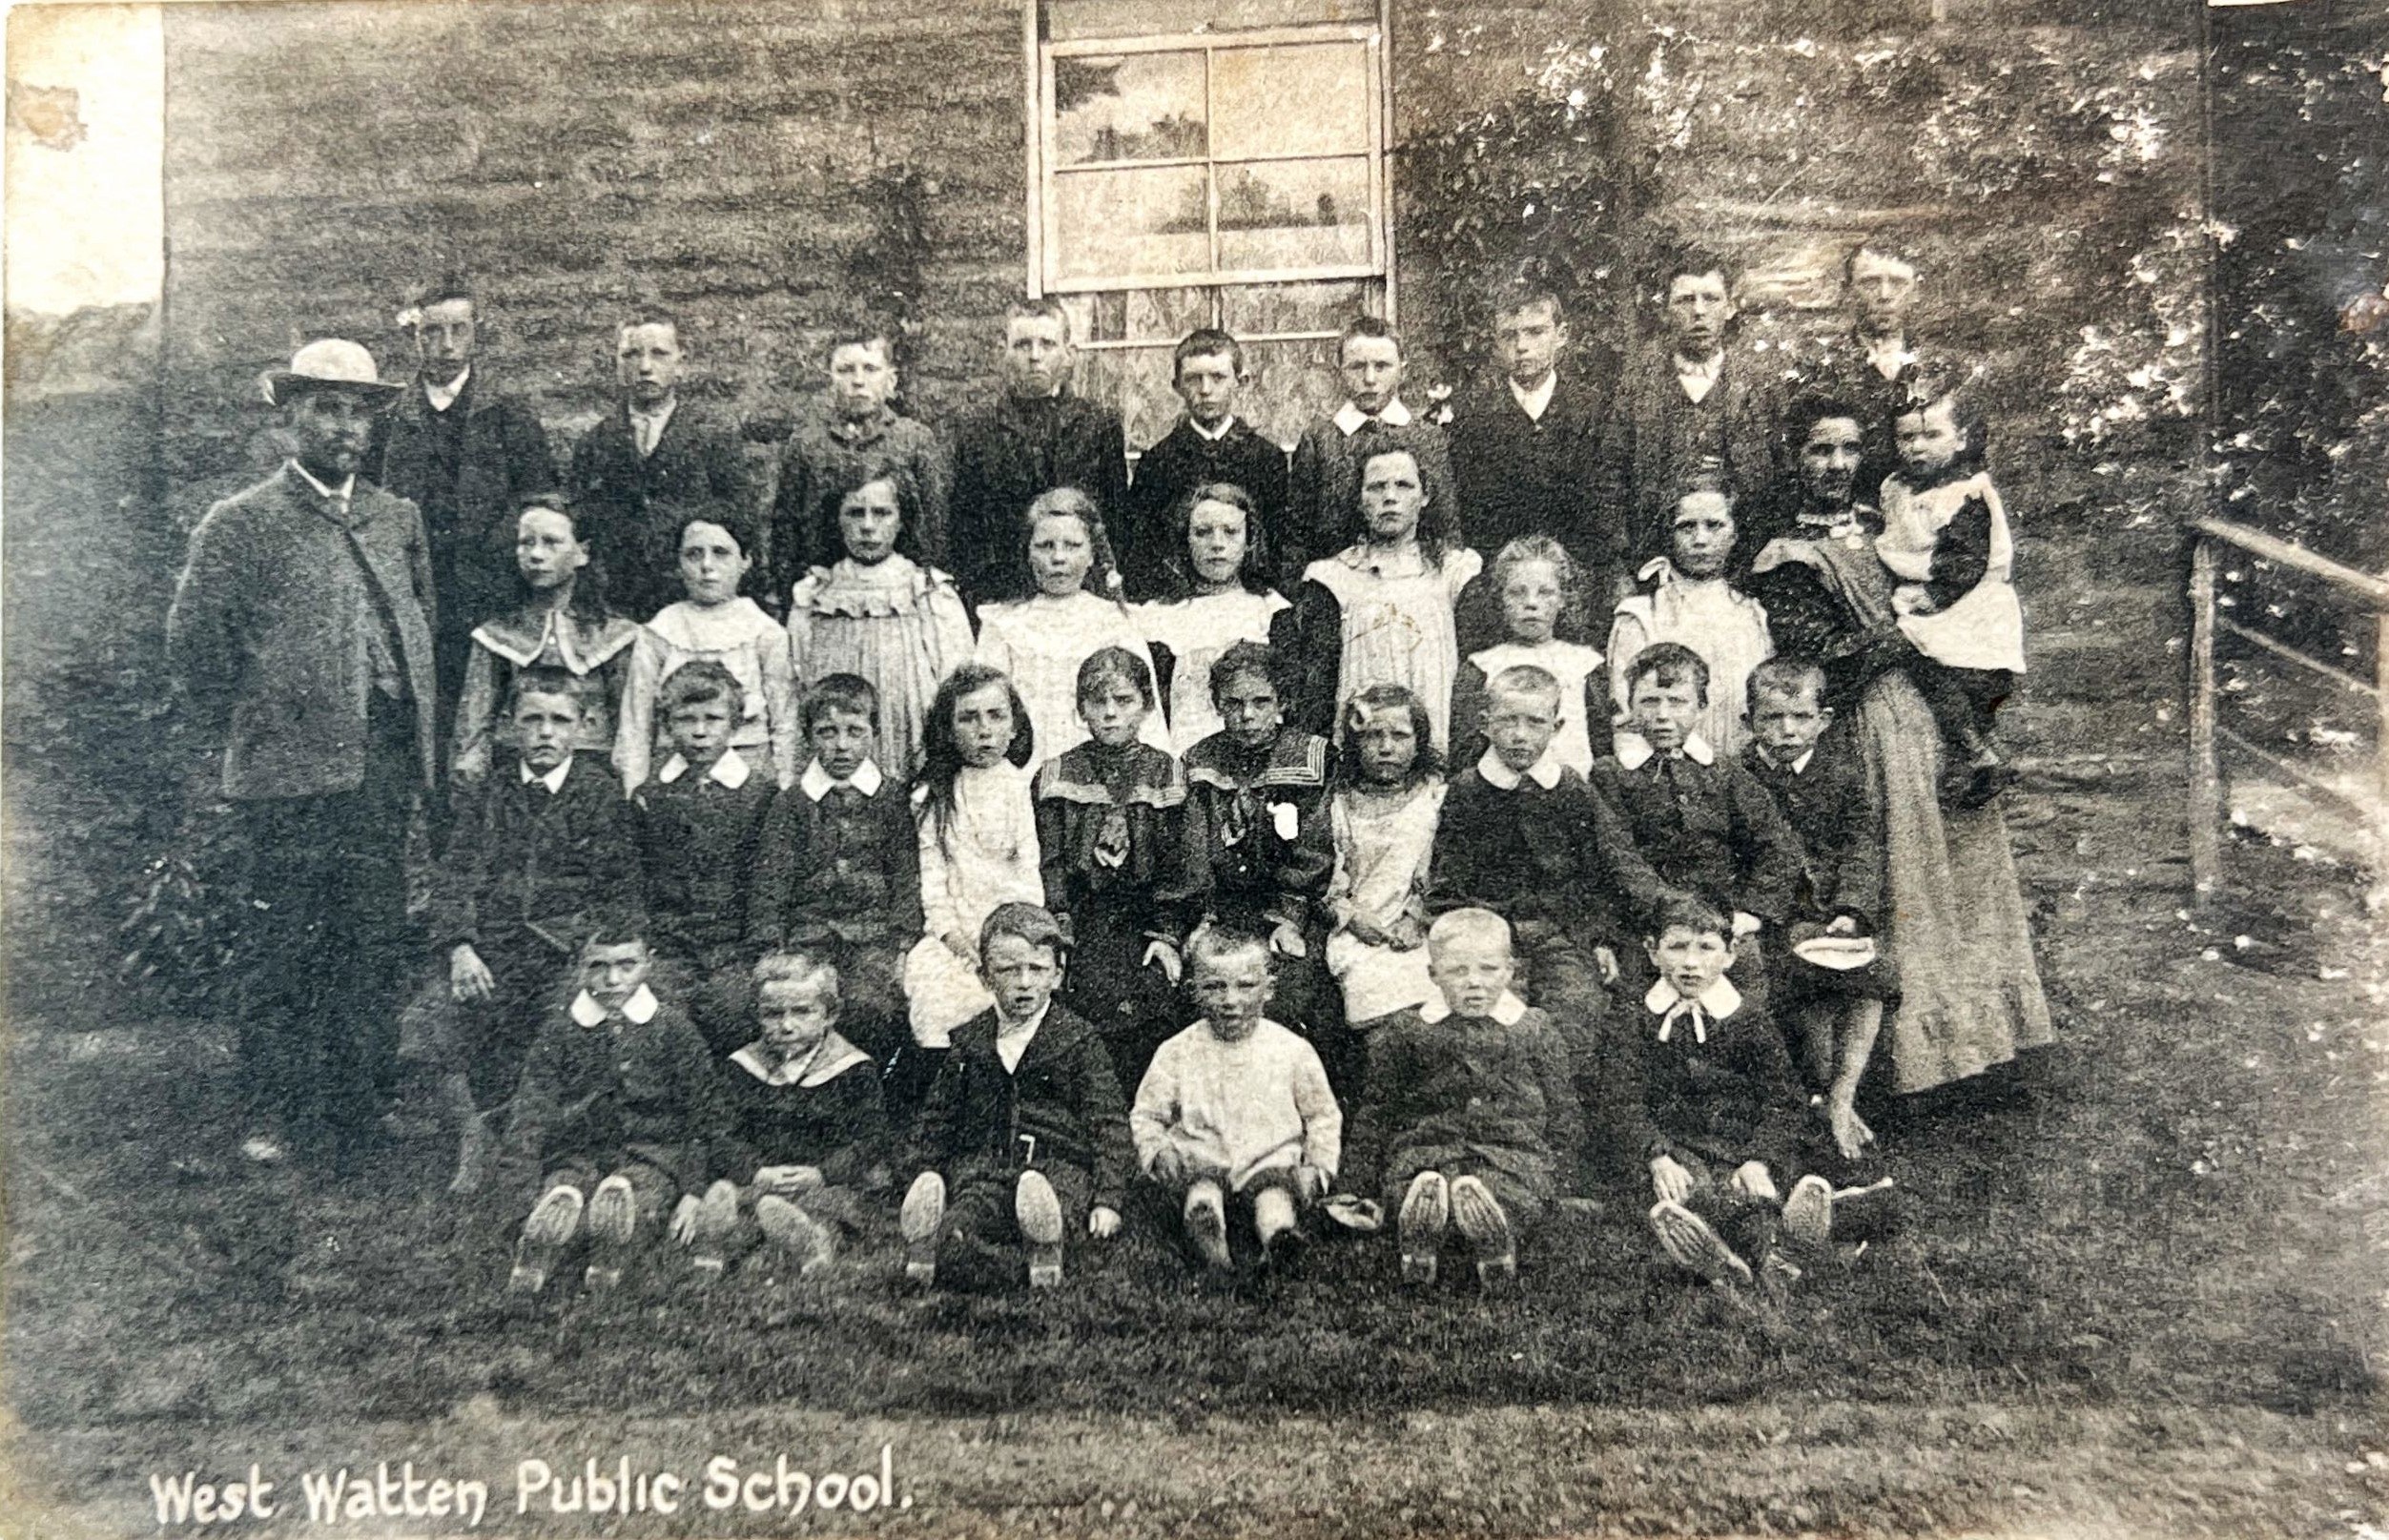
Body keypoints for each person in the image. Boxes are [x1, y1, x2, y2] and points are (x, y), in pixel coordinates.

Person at [167, 338, 438, 1171]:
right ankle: (274, 1111)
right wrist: (263, 721)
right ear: (289, 419)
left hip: (381, 766)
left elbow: (419, 622)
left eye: (357, 410)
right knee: (283, 944)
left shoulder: (397, 517)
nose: (344, 427)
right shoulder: (241, 522)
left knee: (369, 937)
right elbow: (195, 647)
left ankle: (360, 1102)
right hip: (285, 776)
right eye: (325, 407)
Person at [1745, 399, 2053, 1099]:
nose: (1836, 465)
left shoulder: (1888, 521)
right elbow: (1814, 657)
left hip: (1921, 720)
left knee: (1958, 875)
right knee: (1894, 879)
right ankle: (1888, 1069)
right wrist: (1902, 635)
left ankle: (1976, 1050)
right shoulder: (1783, 551)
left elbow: (1958, 590)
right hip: (1862, 726)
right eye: (1820, 451)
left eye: (1850, 450)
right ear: (1794, 458)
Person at [402, 668, 642, 1194]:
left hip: (568, 954)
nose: (546, 734)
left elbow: (619, 893)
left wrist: (591, 956)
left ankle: (534, 1142)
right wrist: (461, 947)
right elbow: (456, 875)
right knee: (433, 1015)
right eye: (532, 720)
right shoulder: (492, 792)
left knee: (571, 1021)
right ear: (509, 726)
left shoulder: (600, 796)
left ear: (585, 727)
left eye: (560, 721)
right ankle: (474, 1133)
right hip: (493, 950)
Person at [1431, 664, 1674, 1127]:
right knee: (1501, 1018)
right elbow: (1449, 879)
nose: (1521, 735)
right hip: (1493, 938)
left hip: (1561, 933)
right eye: (1508, 721)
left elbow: (1594, 873)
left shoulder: (1569, 790)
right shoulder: (1465, 792)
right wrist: (1474, 934)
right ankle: (1504, 1123)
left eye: (1535, 722)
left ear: (1557, 726)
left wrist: (1598, 937)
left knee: (1578, 1009)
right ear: (1484, 724)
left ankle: (1555, 1124)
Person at [1344, 909, 1581, 1292]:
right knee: (1420, 1183)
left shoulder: (1533, 1029)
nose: (1474, 983)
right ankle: (1421, 1242)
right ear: (1433, 975)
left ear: (1510, 972)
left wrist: (1563, 1177)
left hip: (1509, 1150)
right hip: (1429, 1148)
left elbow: (1562, 1108)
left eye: (1488, 970)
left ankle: (1494, 1246)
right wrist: (1356, 1181)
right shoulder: (1407, 1031)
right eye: (1457, 971)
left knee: (1507, 1191)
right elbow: (1377, 1110)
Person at [898, 903, 1132, 1291]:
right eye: (1009, 970)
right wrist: (924, 1171)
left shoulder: (1077, 1040)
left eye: (1037, 970)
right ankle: (940, 1244)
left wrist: (1108, 1199)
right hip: (986, 1172)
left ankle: (1042, 1245)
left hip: (1056, 1172)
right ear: (985, 977)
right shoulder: (969, 1043)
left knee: (1055, 1211)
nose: (1024, 982)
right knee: (962, 1226)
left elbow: (1108, 1124)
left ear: (1057, 975)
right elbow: (937, 1118)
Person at [1596, 896, 1813, 1293]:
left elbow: (1783, 1098)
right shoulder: (1635, 1017)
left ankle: (1757, 1249)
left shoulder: (1748, 1019)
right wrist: (1656, 1154)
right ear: (1652, 952)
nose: (1690, 963)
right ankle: (1737, 1248)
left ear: (1730, 955)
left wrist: (1759, 1159)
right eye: (1677, 947)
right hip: (1677, 1146)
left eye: (1706, 948)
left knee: (1753, 1185)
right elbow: (1620, 1095)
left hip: (1739, 1145)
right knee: (1685, 1189)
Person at [367, 279, 557, 723]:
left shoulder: (509, 413)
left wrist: (494, 552)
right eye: (431, 332)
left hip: (489, 586)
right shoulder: (390, 419)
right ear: (414, 337)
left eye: (458, 330)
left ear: (477, 333)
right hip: (413, 587)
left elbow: (537, 496)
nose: (446, 345)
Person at [500, 929, 724, 1300]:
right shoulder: (559, 1031)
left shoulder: (674, 1030)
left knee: (636, 1197)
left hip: (652, 1156)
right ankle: (540, 1243)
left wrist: (693, 1190)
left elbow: (703, 1115)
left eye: (627, 965)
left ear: (648, 963)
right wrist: (517, 1201)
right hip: (580, 1153)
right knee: (566, 1187)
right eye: (598, 966)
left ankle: (607, 1255)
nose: (613, 979)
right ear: (579, 969)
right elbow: (530, 1114)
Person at [1740, 658, 1898, 1163]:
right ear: (1749, 722)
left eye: (1800, 718)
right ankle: (1825, 1101)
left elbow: (1861, 845)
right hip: (1775, 915)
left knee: (1872, 973)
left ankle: (1842, 1096)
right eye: (1771, 718)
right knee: (1802, 979)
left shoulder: (1844, 774)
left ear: (1823, 720)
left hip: (1833, 911)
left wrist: (1852, 909)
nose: (1787, 731)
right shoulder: (1735, 774)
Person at [1589, 643, 1804, 1007]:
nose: (1662, 715)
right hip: (1647, 924)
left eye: (1677, 702)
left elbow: (1777, 845)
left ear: (1701, 707)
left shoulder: (1724, 774)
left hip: (1721, 922)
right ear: (1630, 707)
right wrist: (1667, 911)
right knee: (1639, 1011)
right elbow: (1619, 856)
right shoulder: (1611, 775)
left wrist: (1750, 912)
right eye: (1649, 702)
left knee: (1744, 996)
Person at [1131, 924, 1341, 1273]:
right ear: (1194, 990)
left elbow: (1322, 1115)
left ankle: (1278, 1240)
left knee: (1274, 1199)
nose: (1231, 1001)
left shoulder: (1291, 1050)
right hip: (1202, 1159)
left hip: (1268, 1161)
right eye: (1215, 987)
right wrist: (1157, 1151)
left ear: (1269, 989)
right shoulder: (1178, 1051)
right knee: (1202, 1194)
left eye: (1246, 986)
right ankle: (1211, 1245)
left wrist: (1318, 1168)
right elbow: (1147, 1114)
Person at [749, 674, 922, 1066]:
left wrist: (901, 946)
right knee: (799, 1005)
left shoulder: (891, 799)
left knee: (868, 1009)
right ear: (809, 736)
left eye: (855, 731)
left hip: (872, 940)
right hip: (805, 940)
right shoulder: (792, 804)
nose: (842, 745)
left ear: (874, 734)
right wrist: (772, 950)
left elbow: (906, 878)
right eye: (827, 732)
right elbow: (769, 885)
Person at [1035, 648, 1188, 1091]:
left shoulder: (1168, 773)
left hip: (1147, 919)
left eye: (1123, 701)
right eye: (1096, 702)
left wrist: (1166, 933)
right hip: (1082, 918)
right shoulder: (1058, 773)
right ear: (1080, 708)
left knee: (1154, 996)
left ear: (1146, 704)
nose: (1109, 714)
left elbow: (1181, 864)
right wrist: (1060, 923)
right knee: (1084, 998)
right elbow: (1051, 861)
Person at [689, 952, 892, 1279]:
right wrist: (754, 1171)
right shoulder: (742, 1066)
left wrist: (823, 1173)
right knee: (749, 1207)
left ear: (830, 1014)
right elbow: (719, 1132)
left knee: (826, 1211)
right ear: (757, 1014)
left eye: (801, 1012)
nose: (786, 1025)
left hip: (824, 1182)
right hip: (762, 1180)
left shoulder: (853, 1068)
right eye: (772, 1014)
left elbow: (871, 1139)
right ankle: (717, 1245)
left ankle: (813, 1244)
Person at [1174, 643, 1337, 1050]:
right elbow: (1194, 849)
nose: (1247, 716)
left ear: (1282, 701)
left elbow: (1315, 845)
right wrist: (1202, 916)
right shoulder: (1200, 761)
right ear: (1217, 705)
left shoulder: (1313, 757)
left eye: (1261, 702)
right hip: (1222, 906)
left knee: (1289, 990)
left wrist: (1288, 916)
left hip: (1291, 905)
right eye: (1234, 703)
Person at [1876, 380, 2025, 807]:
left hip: (1969, 600)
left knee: (1948, 671)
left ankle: (1977, 751)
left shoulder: (1965, 493)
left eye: (1932, 435)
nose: (1918, 447)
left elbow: (1966, 558)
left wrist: (1936, 595)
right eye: (1907, 437)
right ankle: (1975, 753)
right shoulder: (1896, 487)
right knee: (1933, 672)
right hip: (1928, 592)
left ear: (1961, 439)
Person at [899, 665, 1044, 1092]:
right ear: (947, 729)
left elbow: (1027, 878)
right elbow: (933, 881)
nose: (984, 731)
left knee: (1012, 992)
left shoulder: (1022, 789)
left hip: (1012, 933)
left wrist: (1006, 940)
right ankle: (943, 1104)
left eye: (996, 716)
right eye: (969, 718)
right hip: (954, 937)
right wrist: (954, 938)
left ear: (1015, 726)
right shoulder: (933, 797)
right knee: (934, 986)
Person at [1292, 439, 1486, 753]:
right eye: (1377, 487)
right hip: (1363, 741)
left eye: (1404, 486)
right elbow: (1317, 687)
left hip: (1436, 739)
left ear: (1425, 496)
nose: (1390, 497)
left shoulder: (1454, 572)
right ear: (1359, 500)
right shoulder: (1333, 577)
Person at [1593, 246, 1779, 570]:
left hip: (1745, 561)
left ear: (1730, 307)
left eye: (1711, 299)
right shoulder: (1637, 385)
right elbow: (1610, 477)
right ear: (1665, 310)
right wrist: (1624, 561)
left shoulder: (1761, 384)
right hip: (1654, 557)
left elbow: (1780, 476)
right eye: (1685, 300)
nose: (1699, 312)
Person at [784, 468, 973, 780]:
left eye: (882, 513)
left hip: (908, 733)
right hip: (836, 738)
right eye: (856, 514)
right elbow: (798, 676)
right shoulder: (816, 593)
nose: (868, 526)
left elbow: (957, 680)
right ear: (837, 520)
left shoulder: (926, 590)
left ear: (902, 520)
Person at [567, 311, 753, 623]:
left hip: (691, 601)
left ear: (680, 364)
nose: (644, 367)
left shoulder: (713, 437)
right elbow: (579, 521)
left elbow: (739, 517)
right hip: (616, 604)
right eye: (631, 355)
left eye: (659, 354)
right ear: (618, 365)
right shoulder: (595, 442)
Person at [972, 487, 1171, 771]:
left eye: (1072, 545)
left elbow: (1145, 714)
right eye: (1045, 545)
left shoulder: (1114, 621)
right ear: (1028, 552)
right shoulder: (1003, 624)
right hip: (1022, 768)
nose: (1058, 558)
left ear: (1092, 554)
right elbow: (983, 705)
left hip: (1097, 771)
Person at [948, 298, 1129, 608]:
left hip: (1083, 593)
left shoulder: (1099, 425)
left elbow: (1115, 519)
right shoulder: (976, 431)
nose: (1035, 356)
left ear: (1068, 354)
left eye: (1047, 344)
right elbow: (966, 528)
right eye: (1022, 345)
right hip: (1006, 594)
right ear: (1004, 353)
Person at [451, 496, 644, 786]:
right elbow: (473, 727)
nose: (536, 555)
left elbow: (632, 725)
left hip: (595, 773)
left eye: (551, 542)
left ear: (582, 553)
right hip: (514, 773)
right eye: (526, 543)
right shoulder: (496, 635)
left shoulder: (616, 635)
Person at [633, 661, 775, 1054]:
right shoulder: (652, 796)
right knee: (653, 1013)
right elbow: (637, 880)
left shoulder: (760, 796)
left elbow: (766, 887)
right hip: (669, 947)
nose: (699, 731)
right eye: (685, 719)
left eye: (712, 719)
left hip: (732, 949)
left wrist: (757, 951)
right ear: (667, 725)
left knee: (732, 1011)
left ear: (734, 724)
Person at [1446, 279, 1614, 595]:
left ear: (1561, 335)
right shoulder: (1475, 416)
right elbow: (1470, 513)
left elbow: (1604, 506)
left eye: (1535, 332)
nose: (1521, 346)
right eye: (1509, 335)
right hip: (1502, 582)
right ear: (1496, 343)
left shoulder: (1595, 411)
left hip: (1577, 581)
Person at [766, 321, 952, 598]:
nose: (858, 380)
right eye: (846, 370)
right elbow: (786, 532)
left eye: (870, 369)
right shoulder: (806, 444)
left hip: (897, 592)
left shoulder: (914, 440)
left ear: (891, 380)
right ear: (830, 378)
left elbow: (934, 527)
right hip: (825, 593)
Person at [618, 508, 799, 791]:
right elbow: (635, 724)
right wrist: (635, 788)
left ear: (745, 560)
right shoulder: (659, 632)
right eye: (693, 554)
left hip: (751, 774)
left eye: (720, 553)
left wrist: (785, 790)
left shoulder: (765, 632)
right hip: (674, 773)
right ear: (678, 564)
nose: (706, 565)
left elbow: (785, 721)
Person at [1287, 317, 1461, 586]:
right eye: (1357, 367)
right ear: (1340, 371)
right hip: (1337, 590)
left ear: (1402, 370)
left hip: (1413, 583)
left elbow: (1446, 529)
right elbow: (1296, 536)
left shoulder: (1427, 438)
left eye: (1382, 367)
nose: (1369, 379)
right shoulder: (1320, 440)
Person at [1119, 329, 1289, 600]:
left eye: (1218, 377)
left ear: (1240, 382)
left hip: (1249, 599)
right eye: (1194, 379)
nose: (1206, 390)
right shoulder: (1158, 462)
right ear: (1177, 386)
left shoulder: (1266, 458)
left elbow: (1279, 544)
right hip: (1177, 603)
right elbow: (1142, 550)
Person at [1607, 483, 1773, 759]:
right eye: (1687, 527)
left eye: (1714, 525)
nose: (1700, 539)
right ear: (1670, 535)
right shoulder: (1643, 615)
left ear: (1734, 534)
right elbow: (1626, 718)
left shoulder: (1752, 614)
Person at [1136, 483, 1297, 755]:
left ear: (1249, 542)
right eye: (1203, 533)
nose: (1217, 544)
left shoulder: (1269, 609)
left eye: (1231, 532)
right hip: (1184, 750)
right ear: (1185, 541)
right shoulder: (1158, 616)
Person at [1324, 685, 1446, 1042]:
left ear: (1419, 741)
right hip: (1357, 935)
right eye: (1374, 736)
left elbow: (1440, 869)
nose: (1387, 748)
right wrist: (1350, 916)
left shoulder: (1434, 797)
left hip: (1419, 930)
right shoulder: (1339, 805)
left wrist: (1416, 917)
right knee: (1384, 1026)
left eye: (1400, 736)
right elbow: (1327, 879)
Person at [1450, 535, 1606, 776]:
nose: (1531, 603)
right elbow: (1467, 754)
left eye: (1545, 592)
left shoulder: (1585, 665)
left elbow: (1602, 747)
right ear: (1501, 597)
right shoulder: (1482, 667)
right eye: (1517, 593)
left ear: (1563, 598)